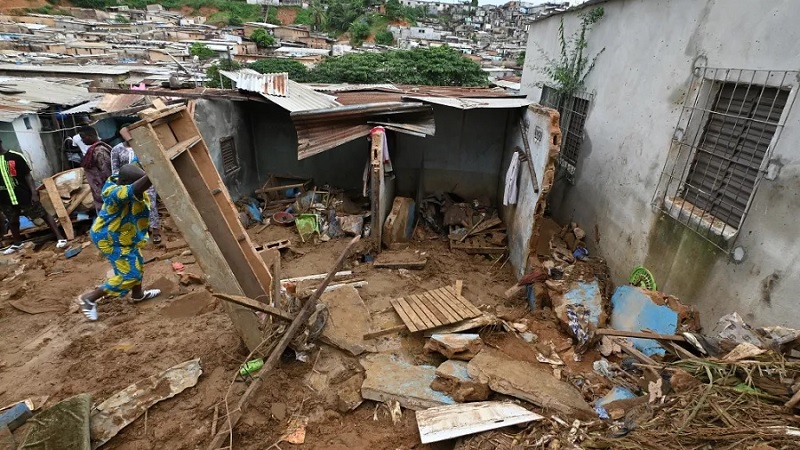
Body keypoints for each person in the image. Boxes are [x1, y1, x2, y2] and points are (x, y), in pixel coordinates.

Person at [79, 164, 161, 321]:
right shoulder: (114, 193)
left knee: (137, 260)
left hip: (123, 234)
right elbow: (133, 190)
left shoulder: (121, 181)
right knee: (129, 274)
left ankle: (138, 295)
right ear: (125, 182)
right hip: (109, 238)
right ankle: (89, 299)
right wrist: (155, 172)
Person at [0, 140, 68, 253]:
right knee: (12, 220)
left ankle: (60, 238)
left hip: (23, 194)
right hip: (5, 197)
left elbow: (27, 175)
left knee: (42, 214)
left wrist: (34, 193)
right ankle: (17, 243)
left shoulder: (15, 156)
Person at [111, 127, 162, 244]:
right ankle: (140, 232)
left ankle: (155, 230)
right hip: (127, 182)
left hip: (145, 179)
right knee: (133, 207)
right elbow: (115, 169)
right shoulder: (117, 149)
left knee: (151, 205)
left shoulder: (142, 146)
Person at [79, 126, 112, 213]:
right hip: (99, 188)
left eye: (83, 137)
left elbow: (107, 172)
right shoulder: (93, 150)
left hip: (105, 188)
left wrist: (108, 188)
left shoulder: (100, 151)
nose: (82, 140)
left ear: (91, 135)